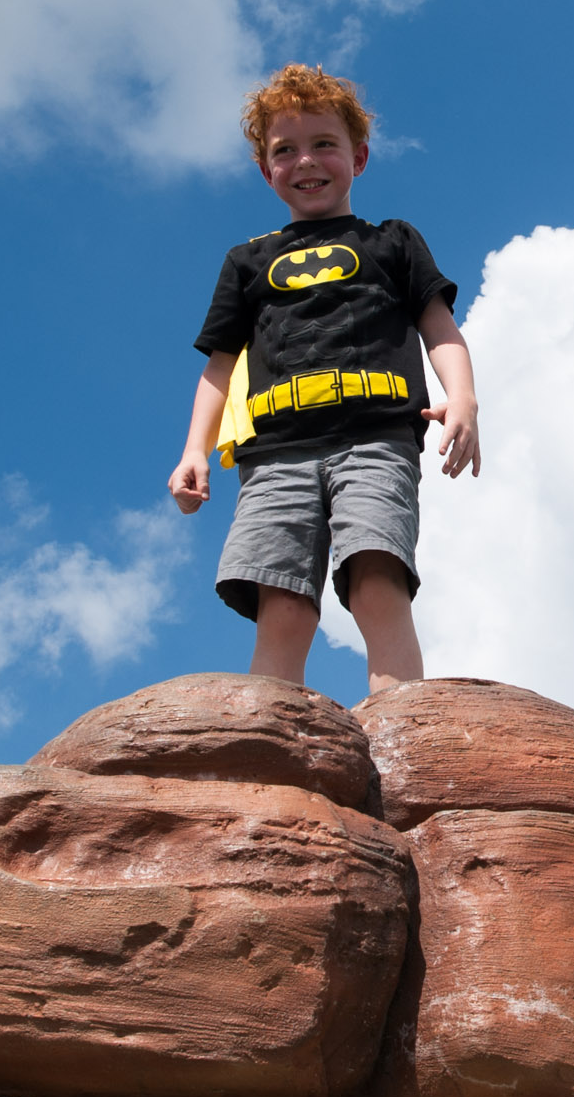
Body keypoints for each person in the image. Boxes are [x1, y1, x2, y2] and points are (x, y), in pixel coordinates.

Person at [166, 64, 479, 692]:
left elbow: (437, 324)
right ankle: (274, 736)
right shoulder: (248, 261)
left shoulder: (392, 241)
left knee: (375, 573)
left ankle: (402, 724)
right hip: (275, 454)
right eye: (285, 150)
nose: (305, 161)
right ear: (266, 170)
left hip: (375, 437)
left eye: (324, 144)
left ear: (358, 156)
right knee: (281, 602)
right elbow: (220, 363)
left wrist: (462, 395)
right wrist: (193, 450)